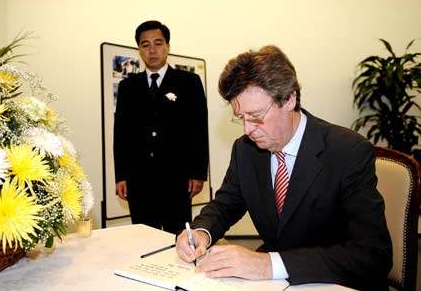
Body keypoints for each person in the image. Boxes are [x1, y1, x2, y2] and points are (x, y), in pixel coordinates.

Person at [176, 45, 392, 290]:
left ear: (290, 99)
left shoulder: (347, 151)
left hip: (333, 282)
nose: (247, 130)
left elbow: (373, 256)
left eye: (256, 116)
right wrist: (201, 232)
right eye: (241, 117)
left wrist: (268, 265)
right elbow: (226, 204)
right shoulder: (246, 150)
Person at [113, 20, 209, 234]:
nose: (152, 50)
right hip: (139, 178)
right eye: (145, 45)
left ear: (167, 46)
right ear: (139, 49)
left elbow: (198, 130)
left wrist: (198, 173)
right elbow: (121, 134)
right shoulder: (128, 87)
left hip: (177, 176)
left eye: (158, 43)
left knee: (178, 235)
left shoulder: (189, 82)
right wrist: (121, 175)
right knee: (143, 235)